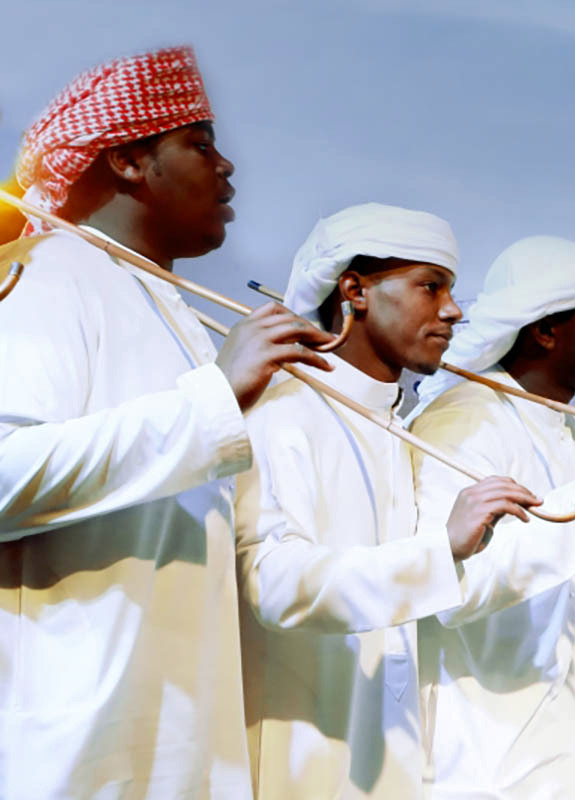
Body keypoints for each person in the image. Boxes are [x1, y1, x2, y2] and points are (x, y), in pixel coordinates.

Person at [0, 47, 331, 798]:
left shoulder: (175, 312)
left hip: (180, 737)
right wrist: (214, 398)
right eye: (200, 145)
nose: (227, 168)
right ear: (128, 161)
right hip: (74, 751)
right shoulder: (48, 275)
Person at [235, 203, 553, 797]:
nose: (453, 310)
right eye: (431, 287)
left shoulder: (394, 424)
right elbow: (274, 584)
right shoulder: (285, 410)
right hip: (301, 764)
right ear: (355, 291)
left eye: (451, 290)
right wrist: (441, 549)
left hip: (393, 763)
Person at [410, 235, 575, 798]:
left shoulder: (561, 428)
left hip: (549, 759)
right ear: (545, 331)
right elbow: (451, 588)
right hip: (473, 768)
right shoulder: (463, 422)